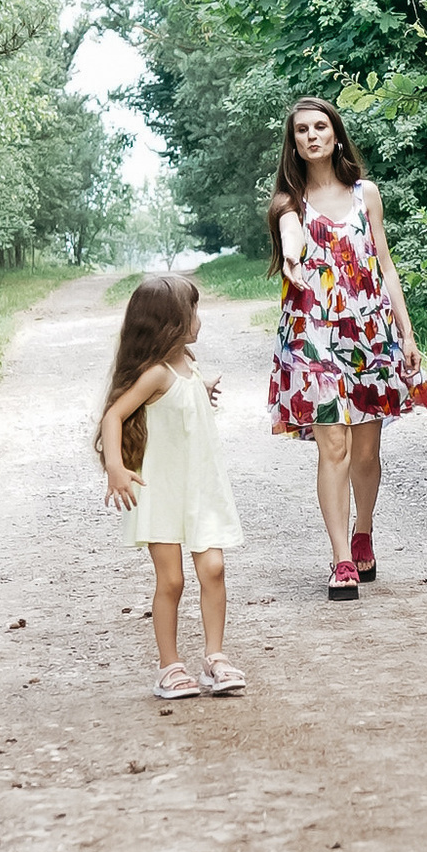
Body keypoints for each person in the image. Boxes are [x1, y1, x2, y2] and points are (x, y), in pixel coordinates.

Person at [265, 97, 427, 601]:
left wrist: (406, 332)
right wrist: (293, 259)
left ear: (335, 134)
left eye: (320, 127)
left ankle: (364, 530)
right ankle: (341, 558)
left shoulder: (367, 195)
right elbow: (292, 236)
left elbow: (385, 265)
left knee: (366, 451)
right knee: (332, 446)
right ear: (292, 142)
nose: (311, 136)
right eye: (301, 130)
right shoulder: (287, 204)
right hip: (312, 335)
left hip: (369, 331)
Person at [97, 273, 245, 702]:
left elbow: (183, 401)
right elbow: (113, 416)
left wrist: (202, 389)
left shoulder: (186, 364)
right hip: (161, 491)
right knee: (173, 580)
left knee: (214, 569)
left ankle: (215, 658)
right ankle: (169, 666)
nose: (199, 318)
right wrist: (115, 467)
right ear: (170, 323)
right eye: (192, 311)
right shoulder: (155, 373)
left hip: (201, 488)